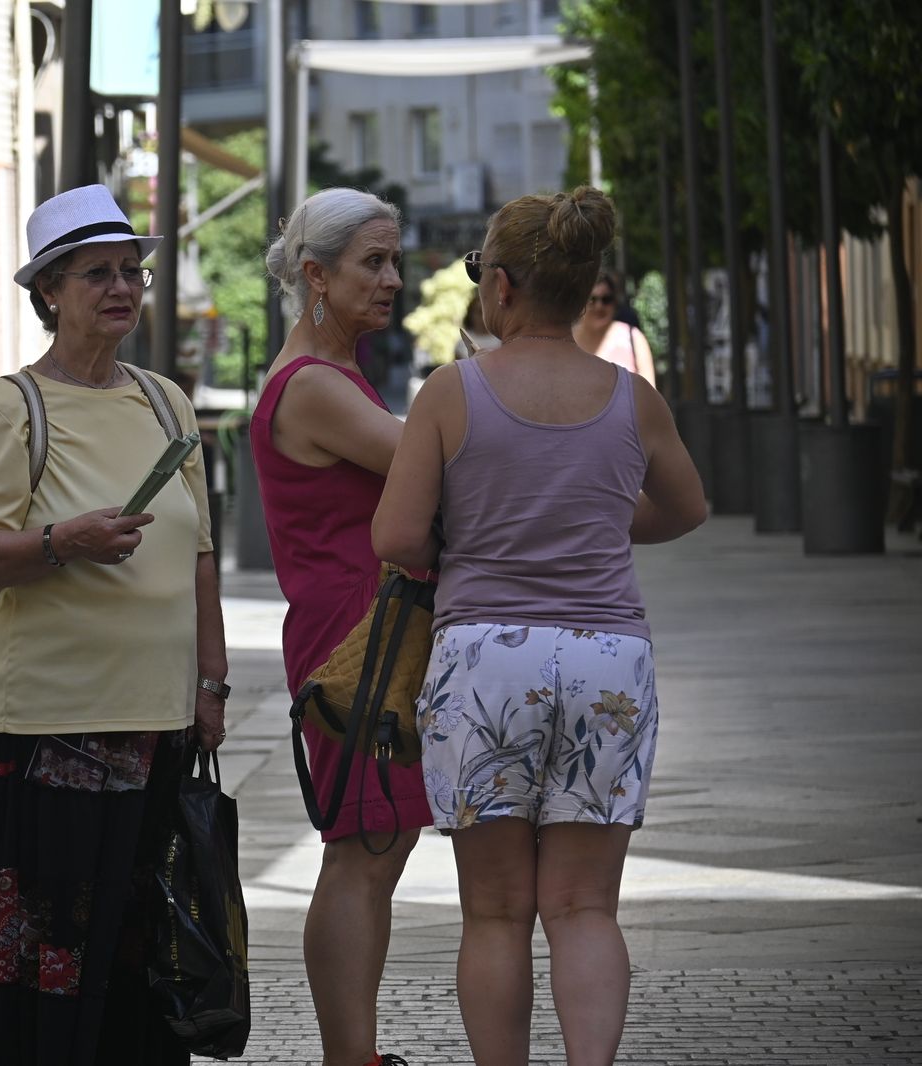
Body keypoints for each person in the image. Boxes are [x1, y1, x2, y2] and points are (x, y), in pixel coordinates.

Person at [371, 186, 706, 1066]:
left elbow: (398, 538)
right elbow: (688, 508)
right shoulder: (631, 397)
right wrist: (594, 518)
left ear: (504, 287)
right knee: (586, 907)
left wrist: (482, 522)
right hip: (608, 660)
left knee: (494, 911)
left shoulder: (451, 393)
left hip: (485, 661)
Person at [0, 184, 228, 1066]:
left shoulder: (166, 403)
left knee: (145, 959)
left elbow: (200, 559)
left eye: (131, 271)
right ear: (49, 294)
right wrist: (63, 541)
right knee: (47, 964)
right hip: (51, 734)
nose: (121, 287)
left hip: (158, 728)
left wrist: (210, 686)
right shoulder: (13, 406)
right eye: (96, 273)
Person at [250, 187, 435, 1066]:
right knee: (362, 846)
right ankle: (348, 1059)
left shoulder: (330, 374)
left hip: (367, 629)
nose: (393, 278)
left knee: (376, 842)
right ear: (315, 276)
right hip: (353, 637)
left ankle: (354, 1054)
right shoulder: (315, 385)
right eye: (375, 261)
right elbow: (423, 459)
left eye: (395, 260)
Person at [572, 270, 657, 386]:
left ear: (615, 303)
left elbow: (650, 391)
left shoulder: (634, 338)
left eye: (606, 299)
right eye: (592, 299)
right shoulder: (566, 339)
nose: (599, 306)